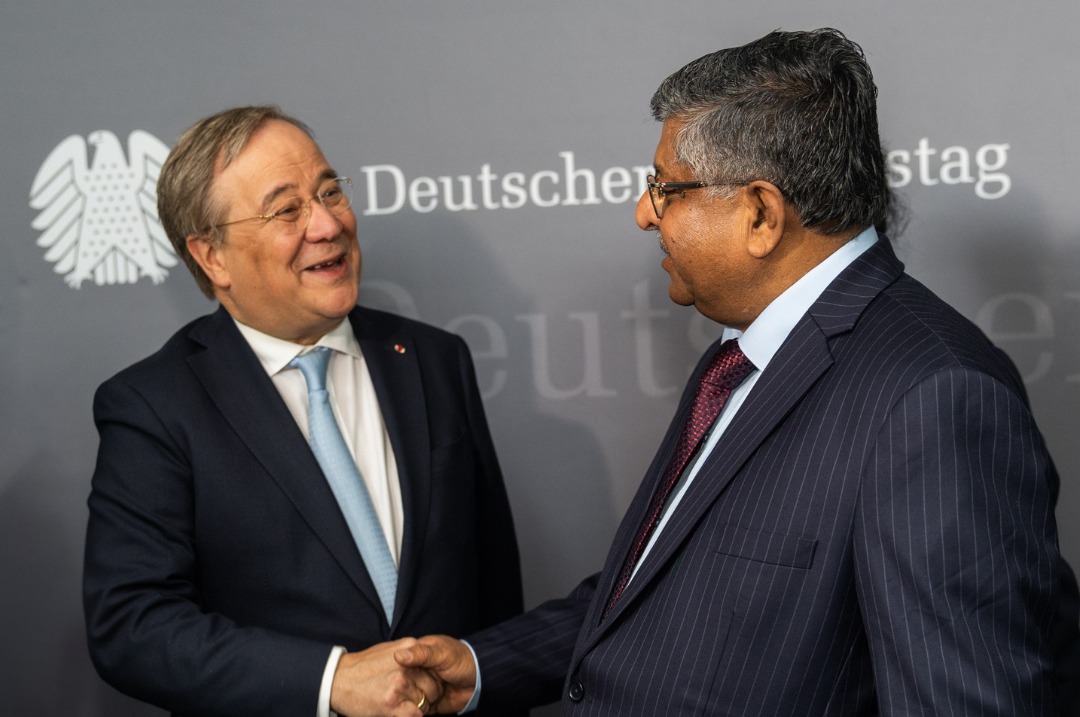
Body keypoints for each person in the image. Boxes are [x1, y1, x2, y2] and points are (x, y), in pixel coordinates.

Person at [396, 28, 1080, 715]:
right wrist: (482, 667)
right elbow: (665, 588)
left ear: (760, 213)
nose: (644, 214)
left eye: (665, 189)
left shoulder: (935, 398)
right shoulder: (741, 355)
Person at [82, 105, 523, 717]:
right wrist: (332, 681)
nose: (327, 224)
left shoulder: (433, 360)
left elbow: (494, 593)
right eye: (286, 210)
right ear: (212, 257)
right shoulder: (154, 407)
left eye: (329, 191)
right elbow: (134, 627)